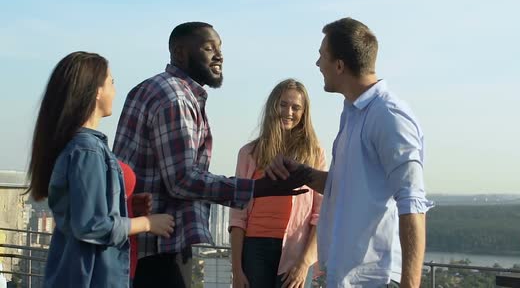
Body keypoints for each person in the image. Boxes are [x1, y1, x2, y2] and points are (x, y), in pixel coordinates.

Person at [113, 22, 311, 288]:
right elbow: (181, 179)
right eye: (209, 48)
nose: (219, 56)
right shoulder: (176, 99)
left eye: (220, 48)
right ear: (180, 52)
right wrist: (258, 188)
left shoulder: (152, 88)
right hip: (156, 245)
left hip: (138, 243)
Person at [265, 18, 434, 288]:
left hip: (375, 280)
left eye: (322, 56)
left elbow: (412, 203)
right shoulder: (352, 114)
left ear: (340, 66)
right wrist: (301, 172)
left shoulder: (389, 116)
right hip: (345, 278)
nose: (318, 64)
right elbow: (345, 187)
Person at [26, 51, 175, 288]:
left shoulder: (79, 146)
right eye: (111, 82)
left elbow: (83, 210)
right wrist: (147, 223)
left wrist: (125, 206)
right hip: (90, 277)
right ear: (97, 91)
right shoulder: (88, 150)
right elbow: (92, 225)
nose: (114, 91)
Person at [229, 79, 325, 288]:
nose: (288, 112)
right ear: (273, 106)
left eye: (296, 107)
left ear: (304, 113)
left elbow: (321, 214)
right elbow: (237, 216)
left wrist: (304, 263)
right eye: (283, 104)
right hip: (255, 249)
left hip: (296, 252)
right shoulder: (249, 153)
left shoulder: (314, 154)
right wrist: (236, 270)